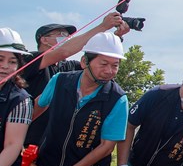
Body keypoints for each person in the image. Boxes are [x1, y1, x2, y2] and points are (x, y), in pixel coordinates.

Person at [30, 32, 129, 166]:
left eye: (115, 65)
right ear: (85, 62)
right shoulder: (60, 81)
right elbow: (37, 107)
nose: (110, 71)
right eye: (104, 64)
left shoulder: (117, 99)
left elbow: (106, 146)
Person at [21, 14, 129, 147]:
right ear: (44, 39)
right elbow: (64, 51)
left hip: (49, 143)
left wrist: (114, 39)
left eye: (68, 35)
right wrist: (103, 26)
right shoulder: (30, 60)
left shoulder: (67, 67)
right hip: (25, 138)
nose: (67, 38)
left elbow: (96, 62)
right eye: (61, 34)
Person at [0, 28, 34, 166]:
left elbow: (13, 145)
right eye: (0, 58)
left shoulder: (21, 99)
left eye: (12, 61)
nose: (5, 66)